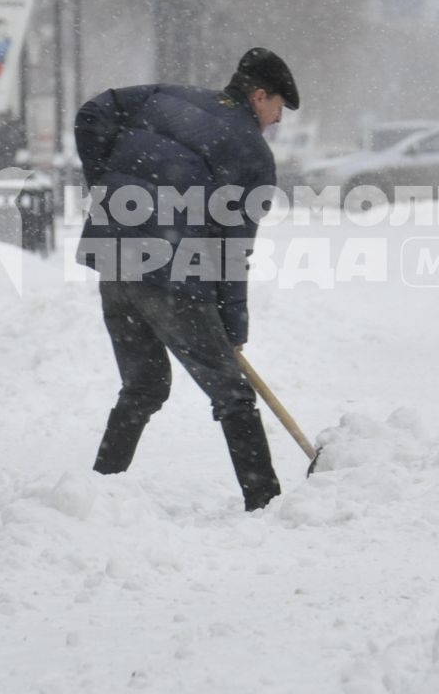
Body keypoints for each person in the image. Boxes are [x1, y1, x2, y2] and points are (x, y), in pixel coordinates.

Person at [73, 47, 298, 512]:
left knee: (144, 385)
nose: (276, 122)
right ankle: (265, 500)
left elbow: (91, 114)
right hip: (172, 273)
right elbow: (234, 251)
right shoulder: (254, 156)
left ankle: (97, 489)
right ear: (259, 95)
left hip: (115, 256)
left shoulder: (163, 96)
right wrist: (233, 326)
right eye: (278, 109)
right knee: (233, 392)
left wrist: (107, 190)